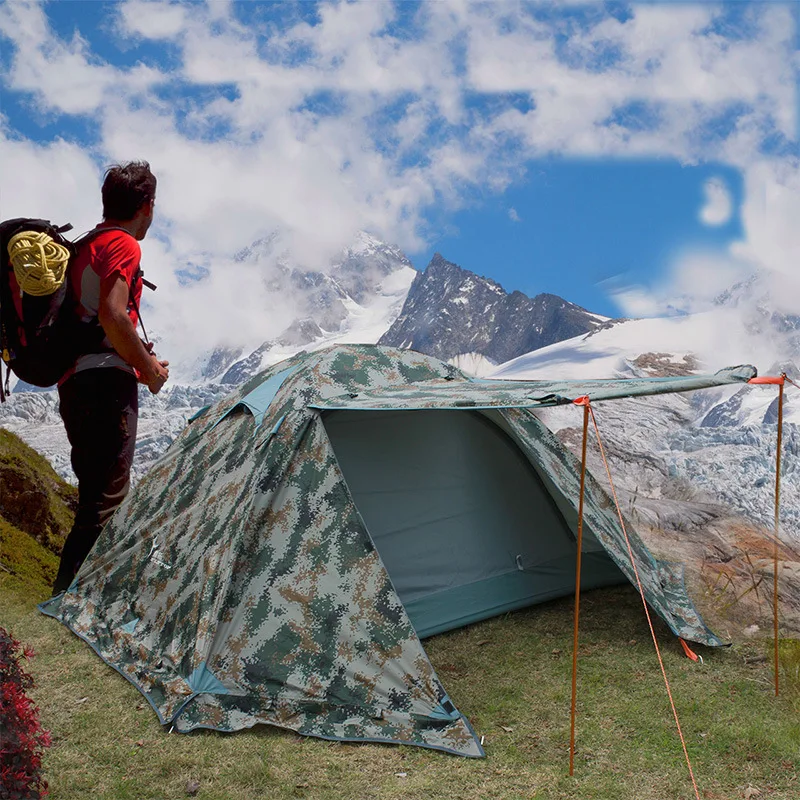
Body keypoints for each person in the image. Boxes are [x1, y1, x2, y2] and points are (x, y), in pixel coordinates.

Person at [52, 161, 170, 593]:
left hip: (75, 384)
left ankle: (66, 597)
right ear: (146, 205)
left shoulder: (86, 244)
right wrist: (149, 370)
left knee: (93, 499)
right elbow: (113, 316)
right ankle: (74, 604)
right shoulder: (123, 244)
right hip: (104, 387)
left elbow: (95, 324)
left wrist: (137, 361)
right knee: (108, 501)